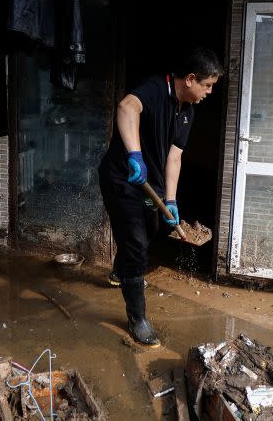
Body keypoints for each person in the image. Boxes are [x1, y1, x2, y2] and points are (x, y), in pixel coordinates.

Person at [98, 48, 223, 347]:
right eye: (207, 86)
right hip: (123, 179)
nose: (209, 92)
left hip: (149, 184)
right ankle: (137, 318)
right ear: (191, 79)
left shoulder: (188, 112)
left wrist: (171, 200)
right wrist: (134, 155)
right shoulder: (156, 87)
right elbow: (127, 107)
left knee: (154, 228)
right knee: (137, 245)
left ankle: (122, 264)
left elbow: (175, 158)